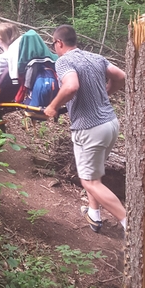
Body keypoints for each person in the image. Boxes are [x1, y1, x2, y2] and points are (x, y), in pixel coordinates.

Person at [43, 24, 127, 233]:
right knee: (94, 174)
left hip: (90, 128)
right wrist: (106, 93)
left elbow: (71, 86)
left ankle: (131, 224)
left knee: (89, 181)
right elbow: (120, 76)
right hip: (111, 124)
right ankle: (94, 214)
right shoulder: (95, 57)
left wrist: (53, 106)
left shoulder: (64, 61)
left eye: (54, 45)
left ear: (59, 43)